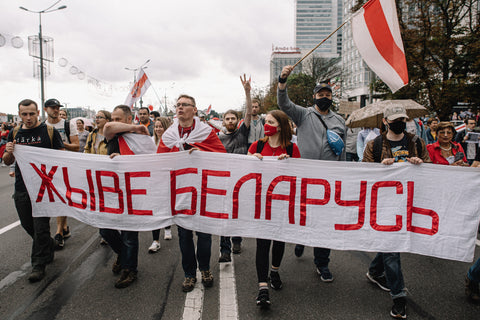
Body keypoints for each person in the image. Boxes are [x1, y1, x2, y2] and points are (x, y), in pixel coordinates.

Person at [277, 65, 347, 282]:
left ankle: (322, 263)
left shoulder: (339, 121)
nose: (324, 97)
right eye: (320, 94)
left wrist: (342, 175)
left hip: (329, 179)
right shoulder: (304, 114)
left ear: (331, 97)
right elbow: (283, 104)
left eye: (327, 95)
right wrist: (282, 81)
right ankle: (301, 239)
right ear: (314, 96)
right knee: (304, 216)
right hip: (306, 177)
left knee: (325, 222)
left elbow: (342, 150)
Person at [363, 104, 431, 319]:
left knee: (389, 247)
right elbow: (362, 173)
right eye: (394, 119)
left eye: (402, 118)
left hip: (409, 202)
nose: (399, 122)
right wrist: (380, 168)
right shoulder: (374, 144)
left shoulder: (417, 143)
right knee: (392, 248)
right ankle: (398, 296)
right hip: (384, 204)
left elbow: (431, 170)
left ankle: (375, 271)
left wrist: (420, 164)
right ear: (385, 121)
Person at [157, 94, 226, 292]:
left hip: (203, 192)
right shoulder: (169, 135)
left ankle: (204, 268)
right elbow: (159, 162)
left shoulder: (206, 133)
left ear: (194, 109)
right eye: (177, 105)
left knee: (204, 235)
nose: (180, 108)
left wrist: (200, 153)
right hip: (180, 193)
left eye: (184, 105)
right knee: (184, 236)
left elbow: (221, 156)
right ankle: (189, 274)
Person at [3, 99, 64, 282]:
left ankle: (38, 265)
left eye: (31, 113)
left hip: (44, 189)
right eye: (24, 114)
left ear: (38, 112)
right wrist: (8, 151)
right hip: (22, 187)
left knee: (40, 227)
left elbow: (62, 157)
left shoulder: (49, 131)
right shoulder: (15, 133)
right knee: (27, 224)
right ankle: (49, 244)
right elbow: (7, 161)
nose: (28, 118)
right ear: (19, 114)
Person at [247, 109, 301, 308]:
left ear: (280, 125)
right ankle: (262, 287)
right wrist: (252, 161)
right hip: (261, 202)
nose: (266, 124)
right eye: (265, 121)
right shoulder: (258, 145)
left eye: (270, 121)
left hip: (282, 203)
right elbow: (243, 168)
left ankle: (274, 271)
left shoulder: (292, 149)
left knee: (278, 241)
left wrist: (289, 164)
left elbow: (301, 174)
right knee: (262, 243)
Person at [101, 105, 152, 288]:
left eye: (119, 119)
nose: (113, 122)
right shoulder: (112, 134)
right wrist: (133, 128)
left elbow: (148, 162)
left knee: (130, 234)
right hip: (111, 190)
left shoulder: (141, 137)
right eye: (112, 118)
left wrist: (126, 161)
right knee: (104, 229)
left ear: (130, 118)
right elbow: (107, 128)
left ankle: (130, 270)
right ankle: (123, 256)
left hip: (132, 192)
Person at [217, 74, 252, 262]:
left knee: (237, 213)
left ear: (237, 121)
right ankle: (225, 250)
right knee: (224, 215)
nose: (230, 121)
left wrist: (247, 92)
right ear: (223, 122)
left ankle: (237, 239)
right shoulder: (218, 139)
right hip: (224, 181)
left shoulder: (242, 133)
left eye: (233, 118)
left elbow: (248, 113)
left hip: (242, 181)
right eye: (227, 119)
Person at [44, 98, 79, 250]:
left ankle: (58, 232)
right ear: (46, 110)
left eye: (57, 107)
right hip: (46, 166)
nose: (56, 110)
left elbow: (76, 146)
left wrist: (59, 142)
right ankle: (64, 227)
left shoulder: (67, 124)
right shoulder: (42, 126)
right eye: (52, 107)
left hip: (63, 165)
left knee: (60, 197)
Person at [148, 116, 173, 253]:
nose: (157, 129)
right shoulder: (150, 142)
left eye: (160, 126)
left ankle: (168, 227)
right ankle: (155, 241)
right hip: (154, 180)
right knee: (155, 209)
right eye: (156, 126)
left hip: (168, 179)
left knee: (167, 206)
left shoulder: (171, 142)